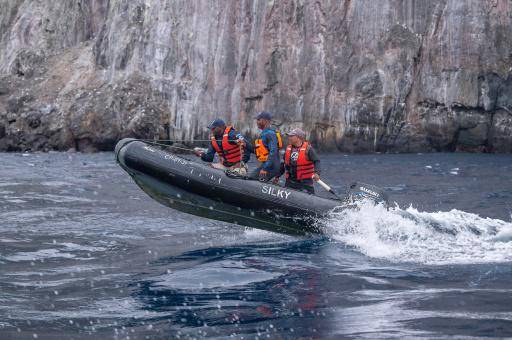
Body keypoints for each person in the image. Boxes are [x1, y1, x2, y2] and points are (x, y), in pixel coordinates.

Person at [280, 128, 321, 194]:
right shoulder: (288, 149)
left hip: (305, 182)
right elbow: (283, 164)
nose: (289, 138)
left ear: (298, 137)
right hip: (290, 181)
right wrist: (277, 176)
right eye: (289, 136)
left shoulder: (308, 149)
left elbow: (317, 161)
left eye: (291, 136)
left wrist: (317, 173)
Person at [249, 111, 283, 181]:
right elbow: (257, 151)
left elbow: (273, 152)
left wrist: (265, 168)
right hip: (268, 165)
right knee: (251, 177)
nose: (257, 122)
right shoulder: (265, 133)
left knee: (252, 178)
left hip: (271, 166)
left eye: (258, 120)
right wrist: (245, 144)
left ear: (266, 121)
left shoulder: (270, 134)